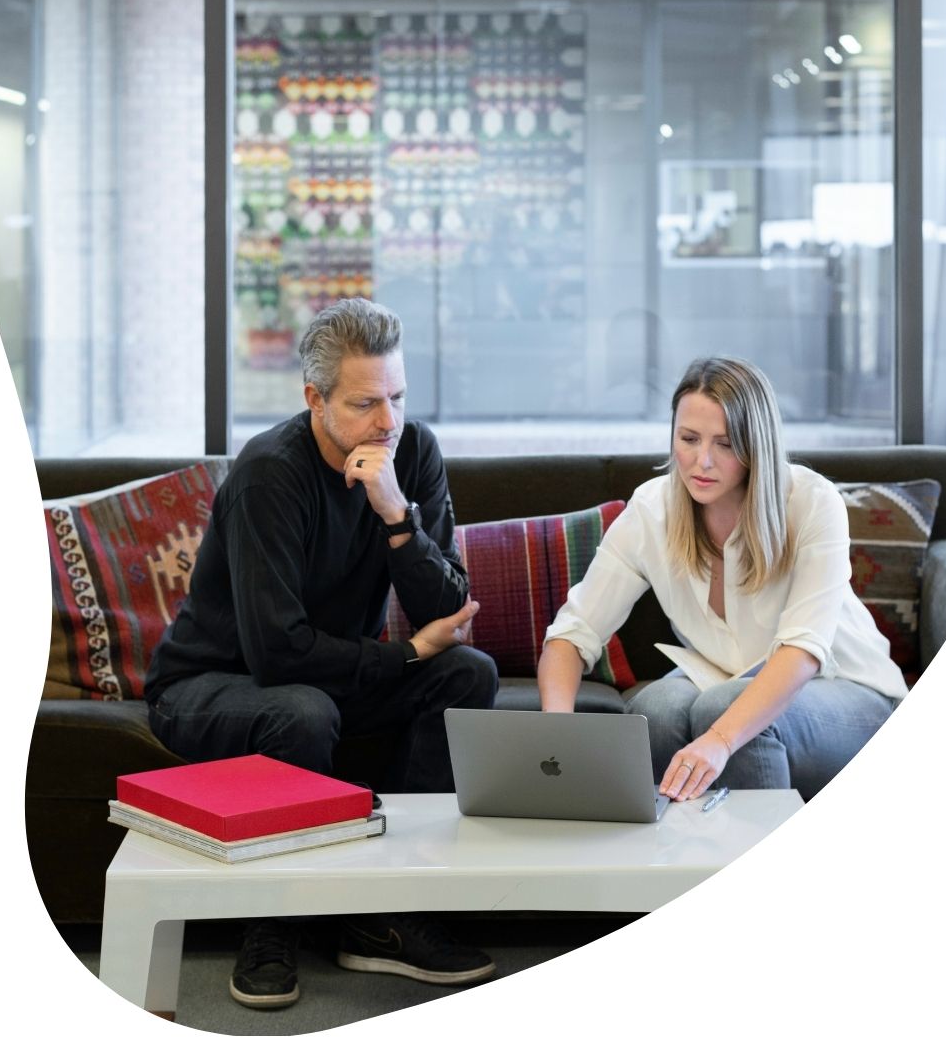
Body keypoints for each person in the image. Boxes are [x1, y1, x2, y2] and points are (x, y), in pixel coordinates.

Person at [144, 298, 499, 1010]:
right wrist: (401, 659)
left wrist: (398, 517)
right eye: (366, 403)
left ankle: (384, 914)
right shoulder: (270, 473)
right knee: (301, 713)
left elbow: (448, 612)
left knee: (468, 674)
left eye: (397, 397)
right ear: (315, 398)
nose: (388, 421)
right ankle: (271, 922)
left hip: (325, 676)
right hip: (211, 683)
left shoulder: (413, 453)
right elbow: (276, 654)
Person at [537, 356, 907, 803]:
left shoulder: (811, 502)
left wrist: (721, 739)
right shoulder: (651, 509)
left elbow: (803, 650)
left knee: (724, 708)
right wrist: (555, 735)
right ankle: (666, 866)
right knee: (655, 709)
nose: (702, 461)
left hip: (849, 691)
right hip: (724, 677)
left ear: (756, 447)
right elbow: (572, 635)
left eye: (726, 444)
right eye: (688, 439)